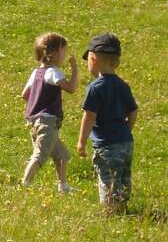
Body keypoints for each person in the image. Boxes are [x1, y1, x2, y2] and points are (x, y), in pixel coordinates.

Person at [77, 32, 138, 212]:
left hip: (106, 145)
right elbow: (133, 111)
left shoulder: (95, 88)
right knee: (123, 176)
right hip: (126, 142)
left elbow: (89, 116)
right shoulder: (123, 85)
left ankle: (111, 212)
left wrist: (81, 142)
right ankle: (123, 206)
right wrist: (127, 129)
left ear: (93, 60)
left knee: (108, 178)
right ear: (116, 62)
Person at [21, 32, 78, 192]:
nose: (64, 55)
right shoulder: (53, 72)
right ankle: (25, 183)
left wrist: (38, 99)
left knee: (62, 155)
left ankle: (63, 186)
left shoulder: (36, 73)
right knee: (40, 155)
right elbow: (71, 88)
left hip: (34, 121)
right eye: (63, 51)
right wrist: (74, 70)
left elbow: (25, 94)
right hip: (47, 121)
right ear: (53, 54)